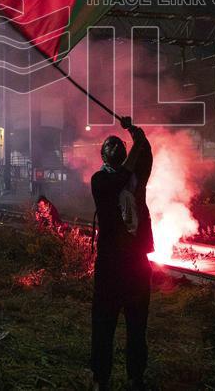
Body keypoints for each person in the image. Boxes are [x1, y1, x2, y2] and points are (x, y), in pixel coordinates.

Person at [90, 116, 153, 390]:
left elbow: (145, 159)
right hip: (116, 266)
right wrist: (136, 143)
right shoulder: (101, 181)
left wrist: (137, 134)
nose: (116, 151)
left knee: (133, 327)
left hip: (127, 265)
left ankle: (131, 377)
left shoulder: (133, 180)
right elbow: (125, 175)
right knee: (107, 326)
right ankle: (104, 379)